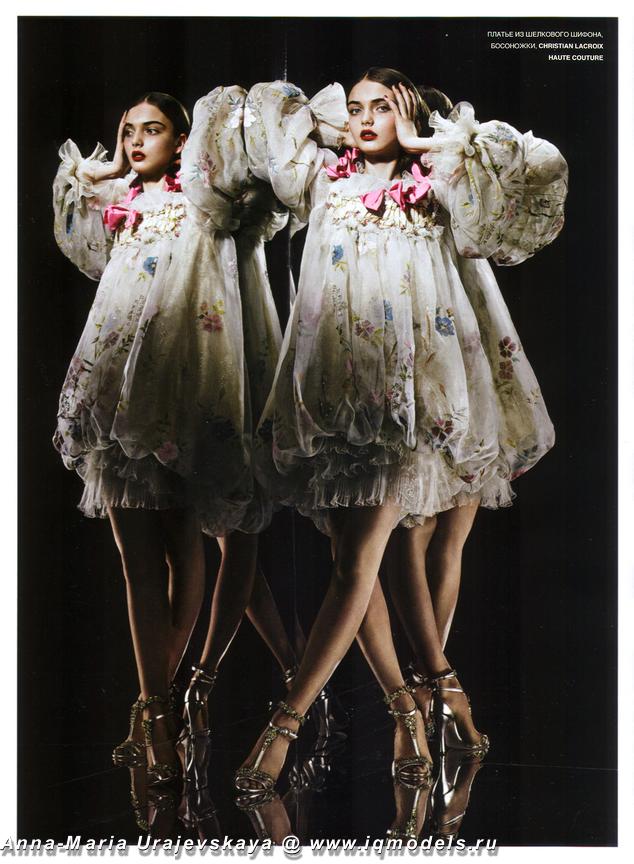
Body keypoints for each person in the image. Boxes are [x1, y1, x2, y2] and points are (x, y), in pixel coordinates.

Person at [233, 67, 567, 804]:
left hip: (416, 397)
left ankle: (292, 724)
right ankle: (425, 702)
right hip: (342, 399)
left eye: (381, 107)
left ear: (409, 113)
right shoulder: (324, 183)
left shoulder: (443, 184)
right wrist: (325, 120)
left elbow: (527, 175)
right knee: (353, 561)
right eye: (355, 107)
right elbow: (260, 116)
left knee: (368, 562)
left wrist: (424, 142)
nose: (362, 118)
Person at [52, 87, 296, 834]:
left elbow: (253, 198)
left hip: (184, 384)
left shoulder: (204, 198)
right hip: (119, 383)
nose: (134, 141)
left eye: (152, 129)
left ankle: (160, 708)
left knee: (184, 546)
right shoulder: (119, 201)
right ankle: (154, 709)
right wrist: (96, 177)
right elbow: (80, 225)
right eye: (128, 129)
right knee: (135, 559)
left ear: (181, 140)